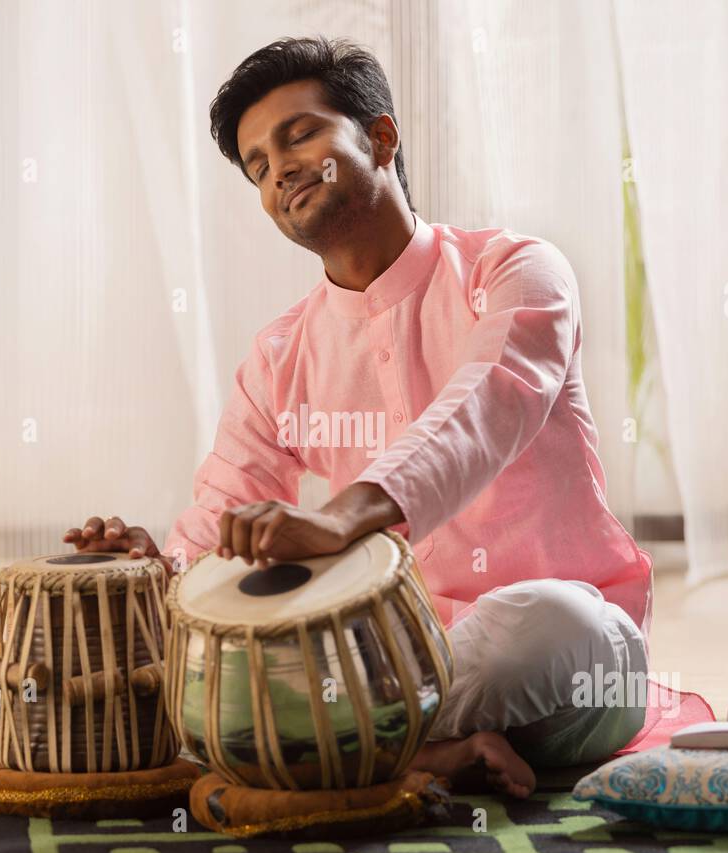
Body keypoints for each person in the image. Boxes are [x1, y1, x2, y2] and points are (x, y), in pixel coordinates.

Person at [63, 36, 653, 799]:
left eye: (298, 134)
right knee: (205, 677)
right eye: (257, 167)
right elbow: (223, 514)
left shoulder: (515, 269)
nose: (279, 171)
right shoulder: (280, 355)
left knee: (545, 621)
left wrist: (344, 520)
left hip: (569, 671)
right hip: (389, 669)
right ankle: (411, 752)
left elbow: (485, 407)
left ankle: (347, 756)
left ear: (380, 136)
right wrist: (157, 567)